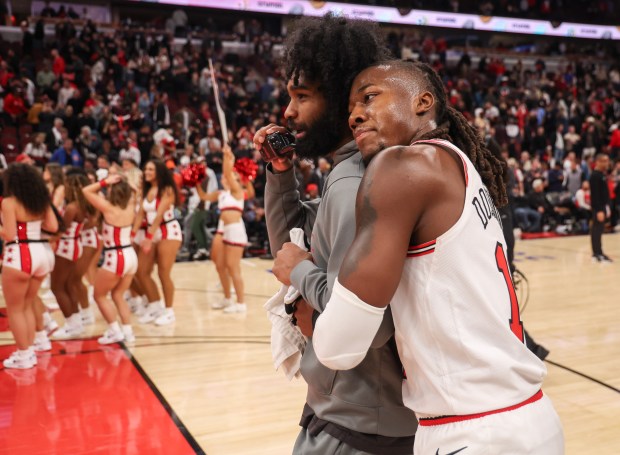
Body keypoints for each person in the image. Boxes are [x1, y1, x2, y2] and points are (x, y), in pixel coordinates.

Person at [310, 60, 564, 454]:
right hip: (528, 418)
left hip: (474, 431)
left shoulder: (402, 167)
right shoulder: (463, 167)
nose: (356, 114)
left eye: (370, 97)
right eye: (350, 109)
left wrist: (297, 274)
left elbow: (338, 347)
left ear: (422, 102)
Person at [255, 15, 417, 455]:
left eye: (302, 96)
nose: (288, 111)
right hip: (364, 415)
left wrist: (304, 282)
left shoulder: (353, 181)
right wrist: (281, 172)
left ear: (344, 101)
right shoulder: (357, 170)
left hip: (359, 424)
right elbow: (290, 248)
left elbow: (367, 324)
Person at [1, 163, 58, 369]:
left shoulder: (9, 202)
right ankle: (30, 348)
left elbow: (9, 234)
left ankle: (24, 354)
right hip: (43, 254)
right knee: (26, 305)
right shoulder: (42, 201)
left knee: (15, 309)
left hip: (20, 254)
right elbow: (53, 227)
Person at [83, 173, 137, 344]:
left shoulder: (108, 208)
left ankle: (115, 331)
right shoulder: (131, 205)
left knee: (99, 295)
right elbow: (136, 191)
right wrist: (127, 184)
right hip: (130, 256)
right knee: (118, 295)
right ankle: (128, 332)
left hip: (116, 256)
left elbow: (86, 191)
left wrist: (105, 181)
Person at [196, 145, 249, 313]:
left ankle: (241, 303)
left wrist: (228, 158)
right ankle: (227, 298)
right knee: (220, 265)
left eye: (232, 176)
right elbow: (204, 196)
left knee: (233, 268)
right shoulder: (223, 193)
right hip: (225, 230)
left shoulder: (238, 191)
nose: (228, 178)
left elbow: (227, 173)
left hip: (235, 231)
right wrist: (196, 182)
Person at [132, 160, 182, 325]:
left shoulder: (167, 189)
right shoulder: (146, 191)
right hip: (153, 233)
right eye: (146, 168)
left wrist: (148, 238)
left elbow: (159, 215)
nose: (146, 171)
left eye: (151, 169)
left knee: (163, 273)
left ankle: (169, 311)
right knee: (141, 271)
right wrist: (132, 234)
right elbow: (140, 215)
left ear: (159, 172)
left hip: (169, 231)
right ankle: (155, 306)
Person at [51, 172, 94, 339]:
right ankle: (76, 323)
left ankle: (71, 323)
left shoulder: (72, 207)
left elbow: (61, 229)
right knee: (68, 285)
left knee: (57, 287)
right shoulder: (83, 205)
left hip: (66, 245)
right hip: (75, 244)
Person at [589, 153, 612, 263]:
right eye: (605, 161)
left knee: (600, 230)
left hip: (602, 206)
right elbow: (595, 195)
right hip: (598, 207)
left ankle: (599, 252)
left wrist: (606, 206)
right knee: (596, 230)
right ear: (598, 162)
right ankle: (596, 253)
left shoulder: (602, 175)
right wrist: (598, 210)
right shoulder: (595, 176)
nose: (607, 163)